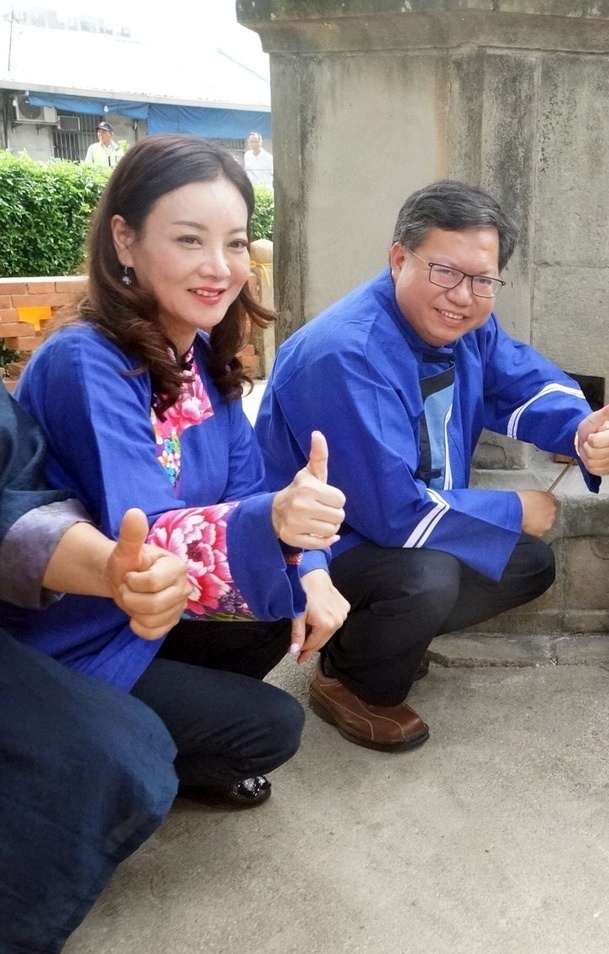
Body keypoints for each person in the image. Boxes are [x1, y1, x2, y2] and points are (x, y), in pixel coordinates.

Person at [0, 133, 350, 808]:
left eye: (237, 242)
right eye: (190, 240)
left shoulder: (201, 361)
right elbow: (142, 535)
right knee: (272, 726)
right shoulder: (87, 361)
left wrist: (310, 565)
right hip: (76, 635)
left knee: (295, 599)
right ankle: (102, 744)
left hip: (152, 620)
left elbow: (251, 489)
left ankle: (158, 733)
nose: (219, 266)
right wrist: (276, 524)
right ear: (124, 240)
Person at [255, 179, 609, 751]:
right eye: (444, 271)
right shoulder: (346, 353)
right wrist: (514, 506)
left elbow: (522, 378)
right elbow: (392, 514)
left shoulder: (465, 324)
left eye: (482, 280)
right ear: (399, 257)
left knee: (526, 564)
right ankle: (349, 680)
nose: (462, 295)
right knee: (429, 577)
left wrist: (580, 431)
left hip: (396, 524)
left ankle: (376, 634)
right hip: (317, 549)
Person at [1, 384, 190, 954]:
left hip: (107, 623)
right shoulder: (85, 365)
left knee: (142, 749)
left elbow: (15, 505)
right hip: (67, 633)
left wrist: (116, 571)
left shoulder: (212, 373)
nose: (217, 284)